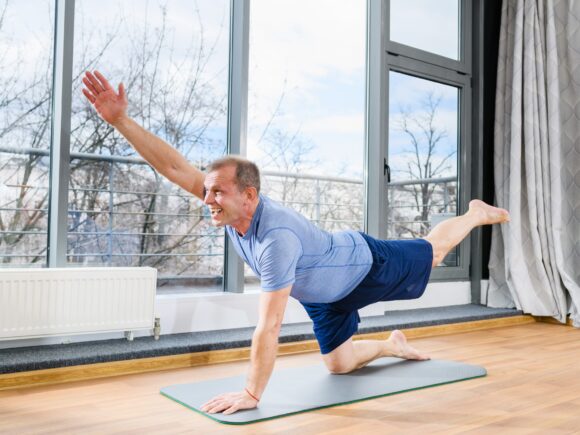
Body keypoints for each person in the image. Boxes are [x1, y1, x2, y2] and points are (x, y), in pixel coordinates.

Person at [82, 70, 510, 415]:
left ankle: (474, 213)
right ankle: (389, 344)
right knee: (339, 365)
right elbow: (175, 168)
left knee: (432, 254)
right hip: (324, 295)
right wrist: (120, 120)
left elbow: (268, 328)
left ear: (249, 195)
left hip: (363, 265)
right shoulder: (230, 207)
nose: (206, 199)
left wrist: (251, 393)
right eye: (207, 191)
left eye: (217, 193)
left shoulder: (276, 240)